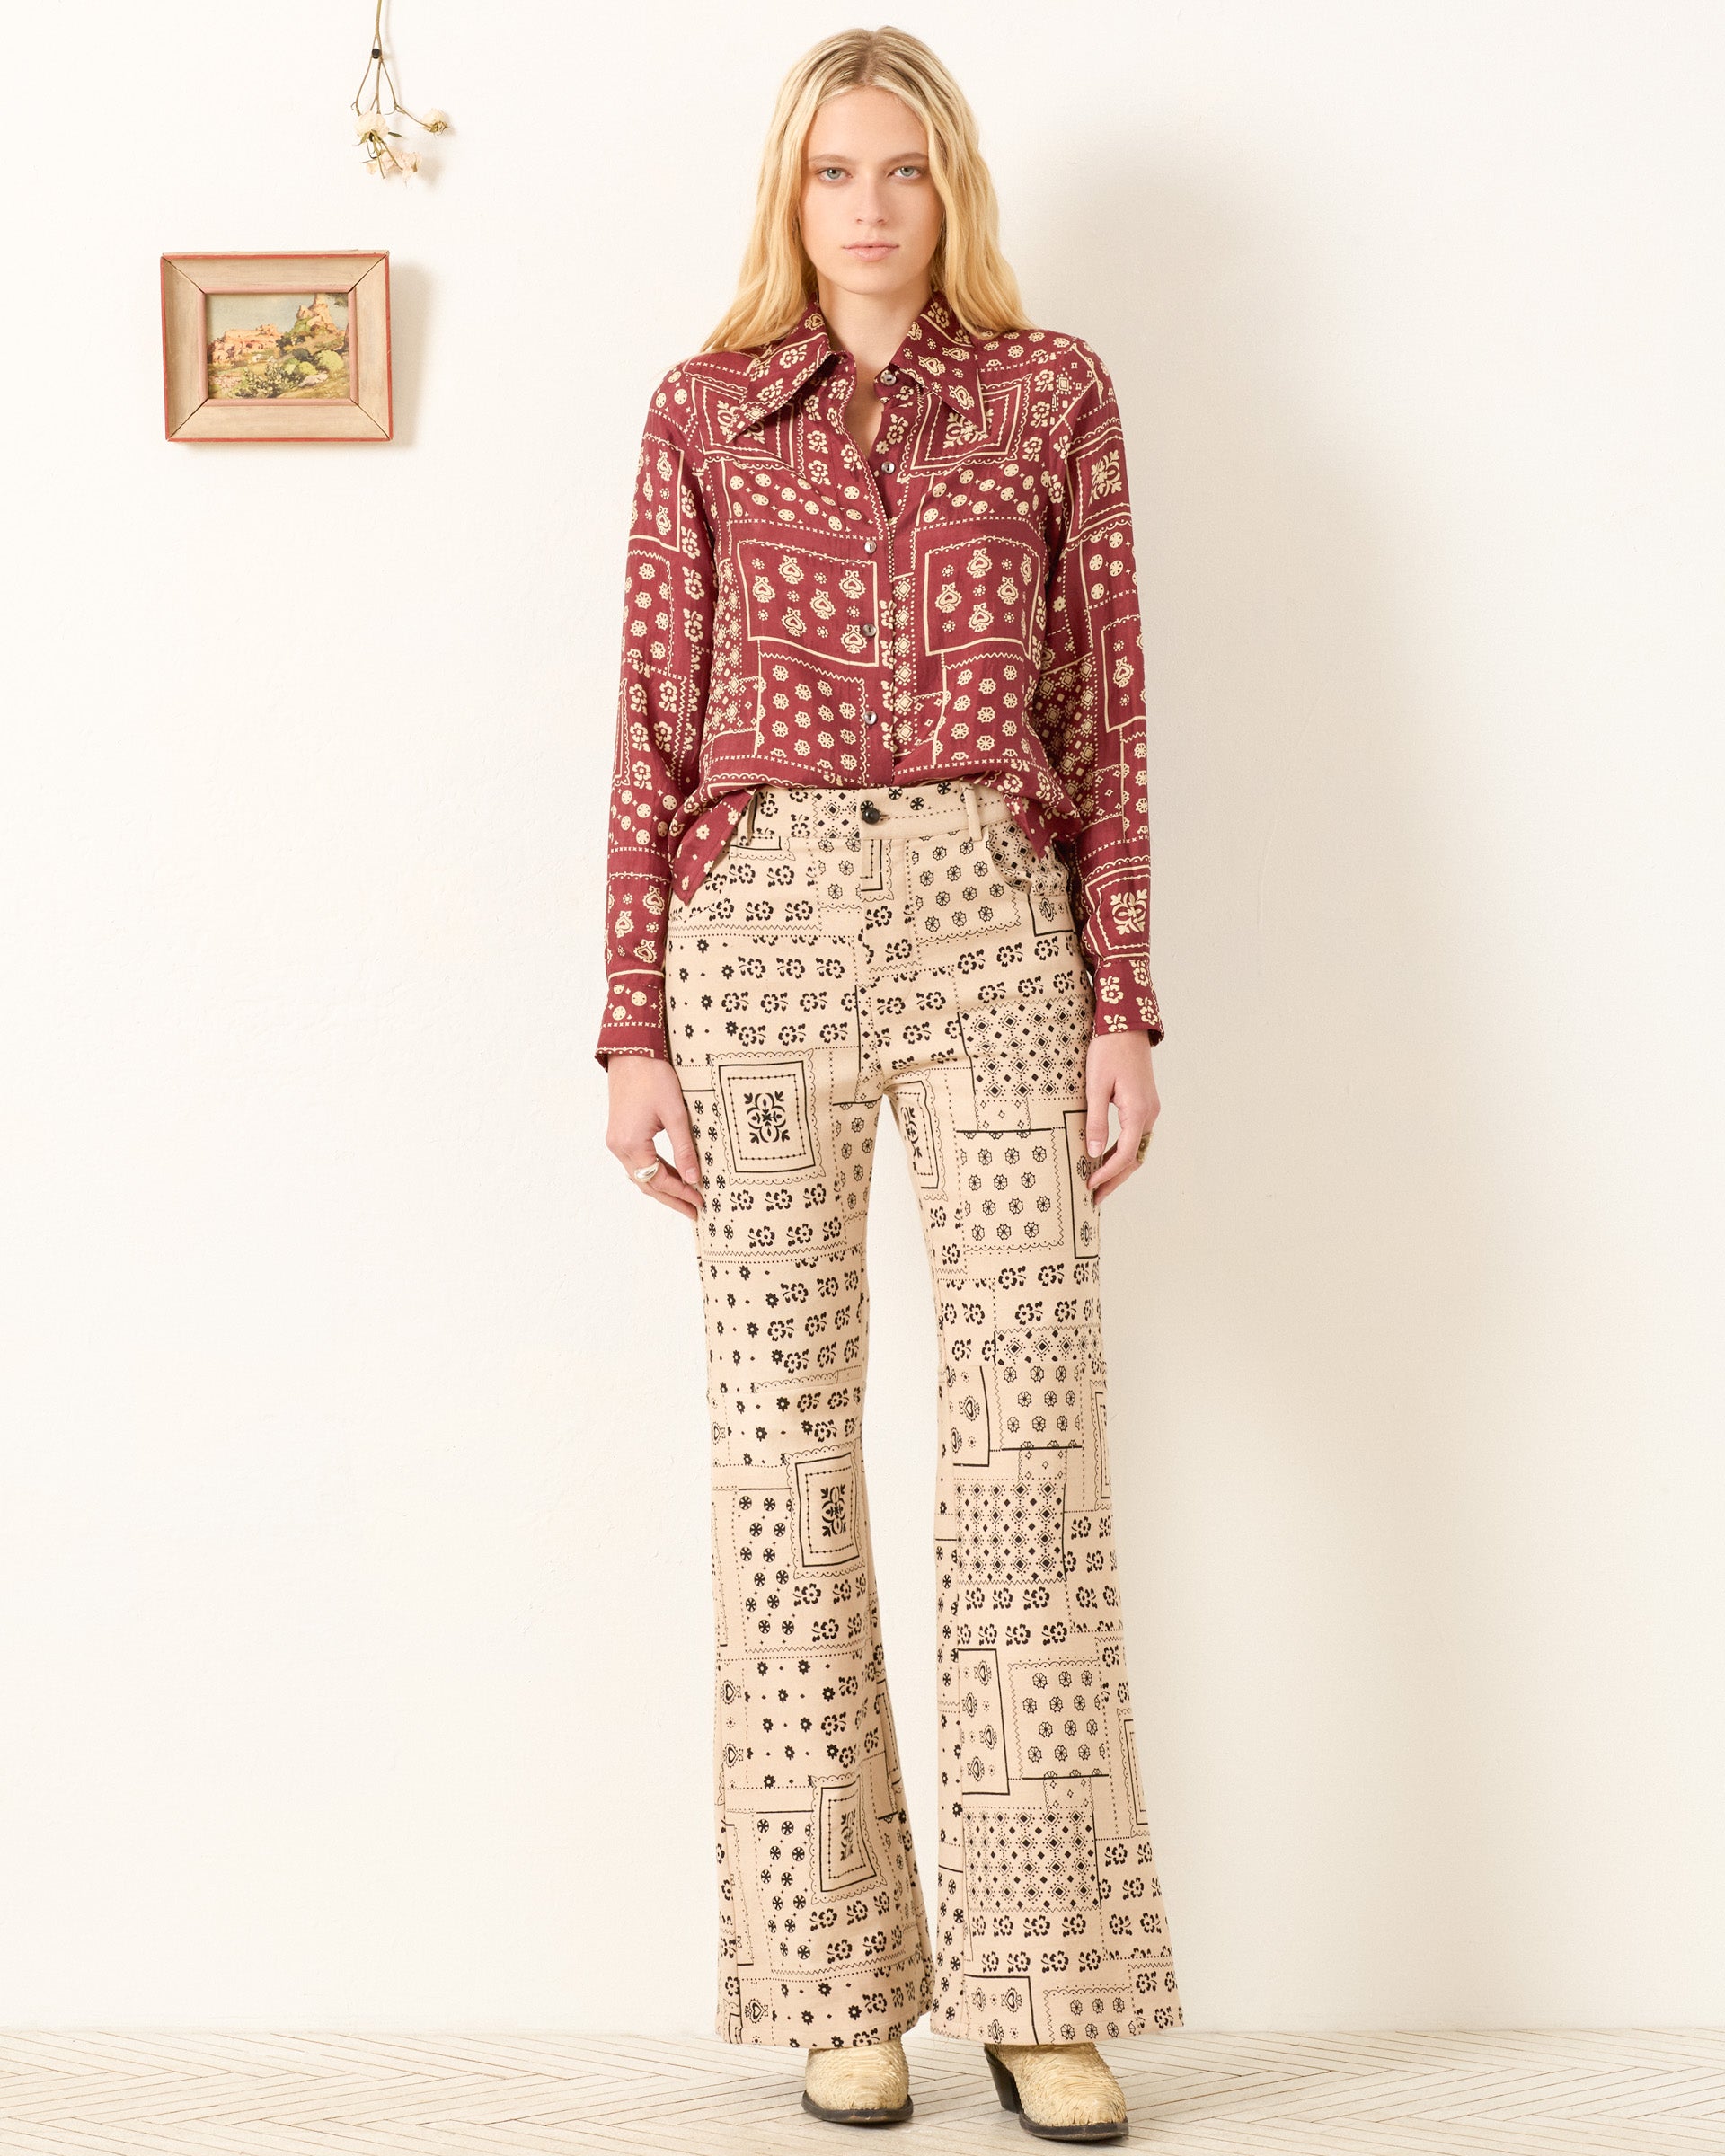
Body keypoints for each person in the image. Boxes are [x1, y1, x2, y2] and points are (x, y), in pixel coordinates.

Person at [597, 25, 1182, 2142]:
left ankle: (1043, 1989)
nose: (870, 207)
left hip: (990, 926)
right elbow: (650, 720)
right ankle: (838, 1985)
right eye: (837, 171)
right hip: (751, 931)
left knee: (1031, 1450)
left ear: (953, 191)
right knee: (782, 1457)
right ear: (793, 192)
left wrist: (1123, 1002)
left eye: (906, 171)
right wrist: (631, 1025)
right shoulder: (701, 413)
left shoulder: (1051, 395)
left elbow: (1105, 709)